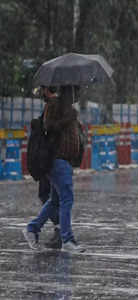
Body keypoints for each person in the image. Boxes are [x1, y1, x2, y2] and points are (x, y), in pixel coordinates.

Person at [23, 86, 85, 253]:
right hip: (58, 160)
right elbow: (49, 126)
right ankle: (67, 239)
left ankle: (32, 228)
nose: (76, 96)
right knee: (67, 199)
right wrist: (68, 118)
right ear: (66, 93)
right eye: (73, 92)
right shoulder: (54, 104)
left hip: (66, 161)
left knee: (55, 200)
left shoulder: (69, 109)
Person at [37, 86, 62, 249]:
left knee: (47, 195)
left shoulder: (53, 104)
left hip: (51, 158)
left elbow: (49, 129)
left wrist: (39, 125)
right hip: (54, 157)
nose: (40, 93)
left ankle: (60, 228)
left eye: (41, 89)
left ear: (46, 89)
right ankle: (60, 229)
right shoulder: (58, 104)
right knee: (53, 196)